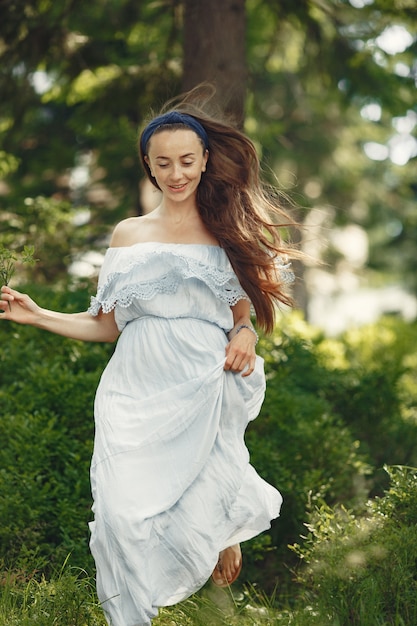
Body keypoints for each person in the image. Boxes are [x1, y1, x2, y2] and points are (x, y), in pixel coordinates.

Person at [0, 86, 296, 626]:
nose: (177, 173)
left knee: (203, 471)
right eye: (164, 163)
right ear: (148, 167)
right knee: (118, 514)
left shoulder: (225, 230)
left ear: (205, 160)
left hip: (200, 376)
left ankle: (218, 532)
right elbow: (107, 325)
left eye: (187, 160)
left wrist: (246, 331)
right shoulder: (128, 235)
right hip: (132, 386)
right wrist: (37, 314)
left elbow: (240, 311)